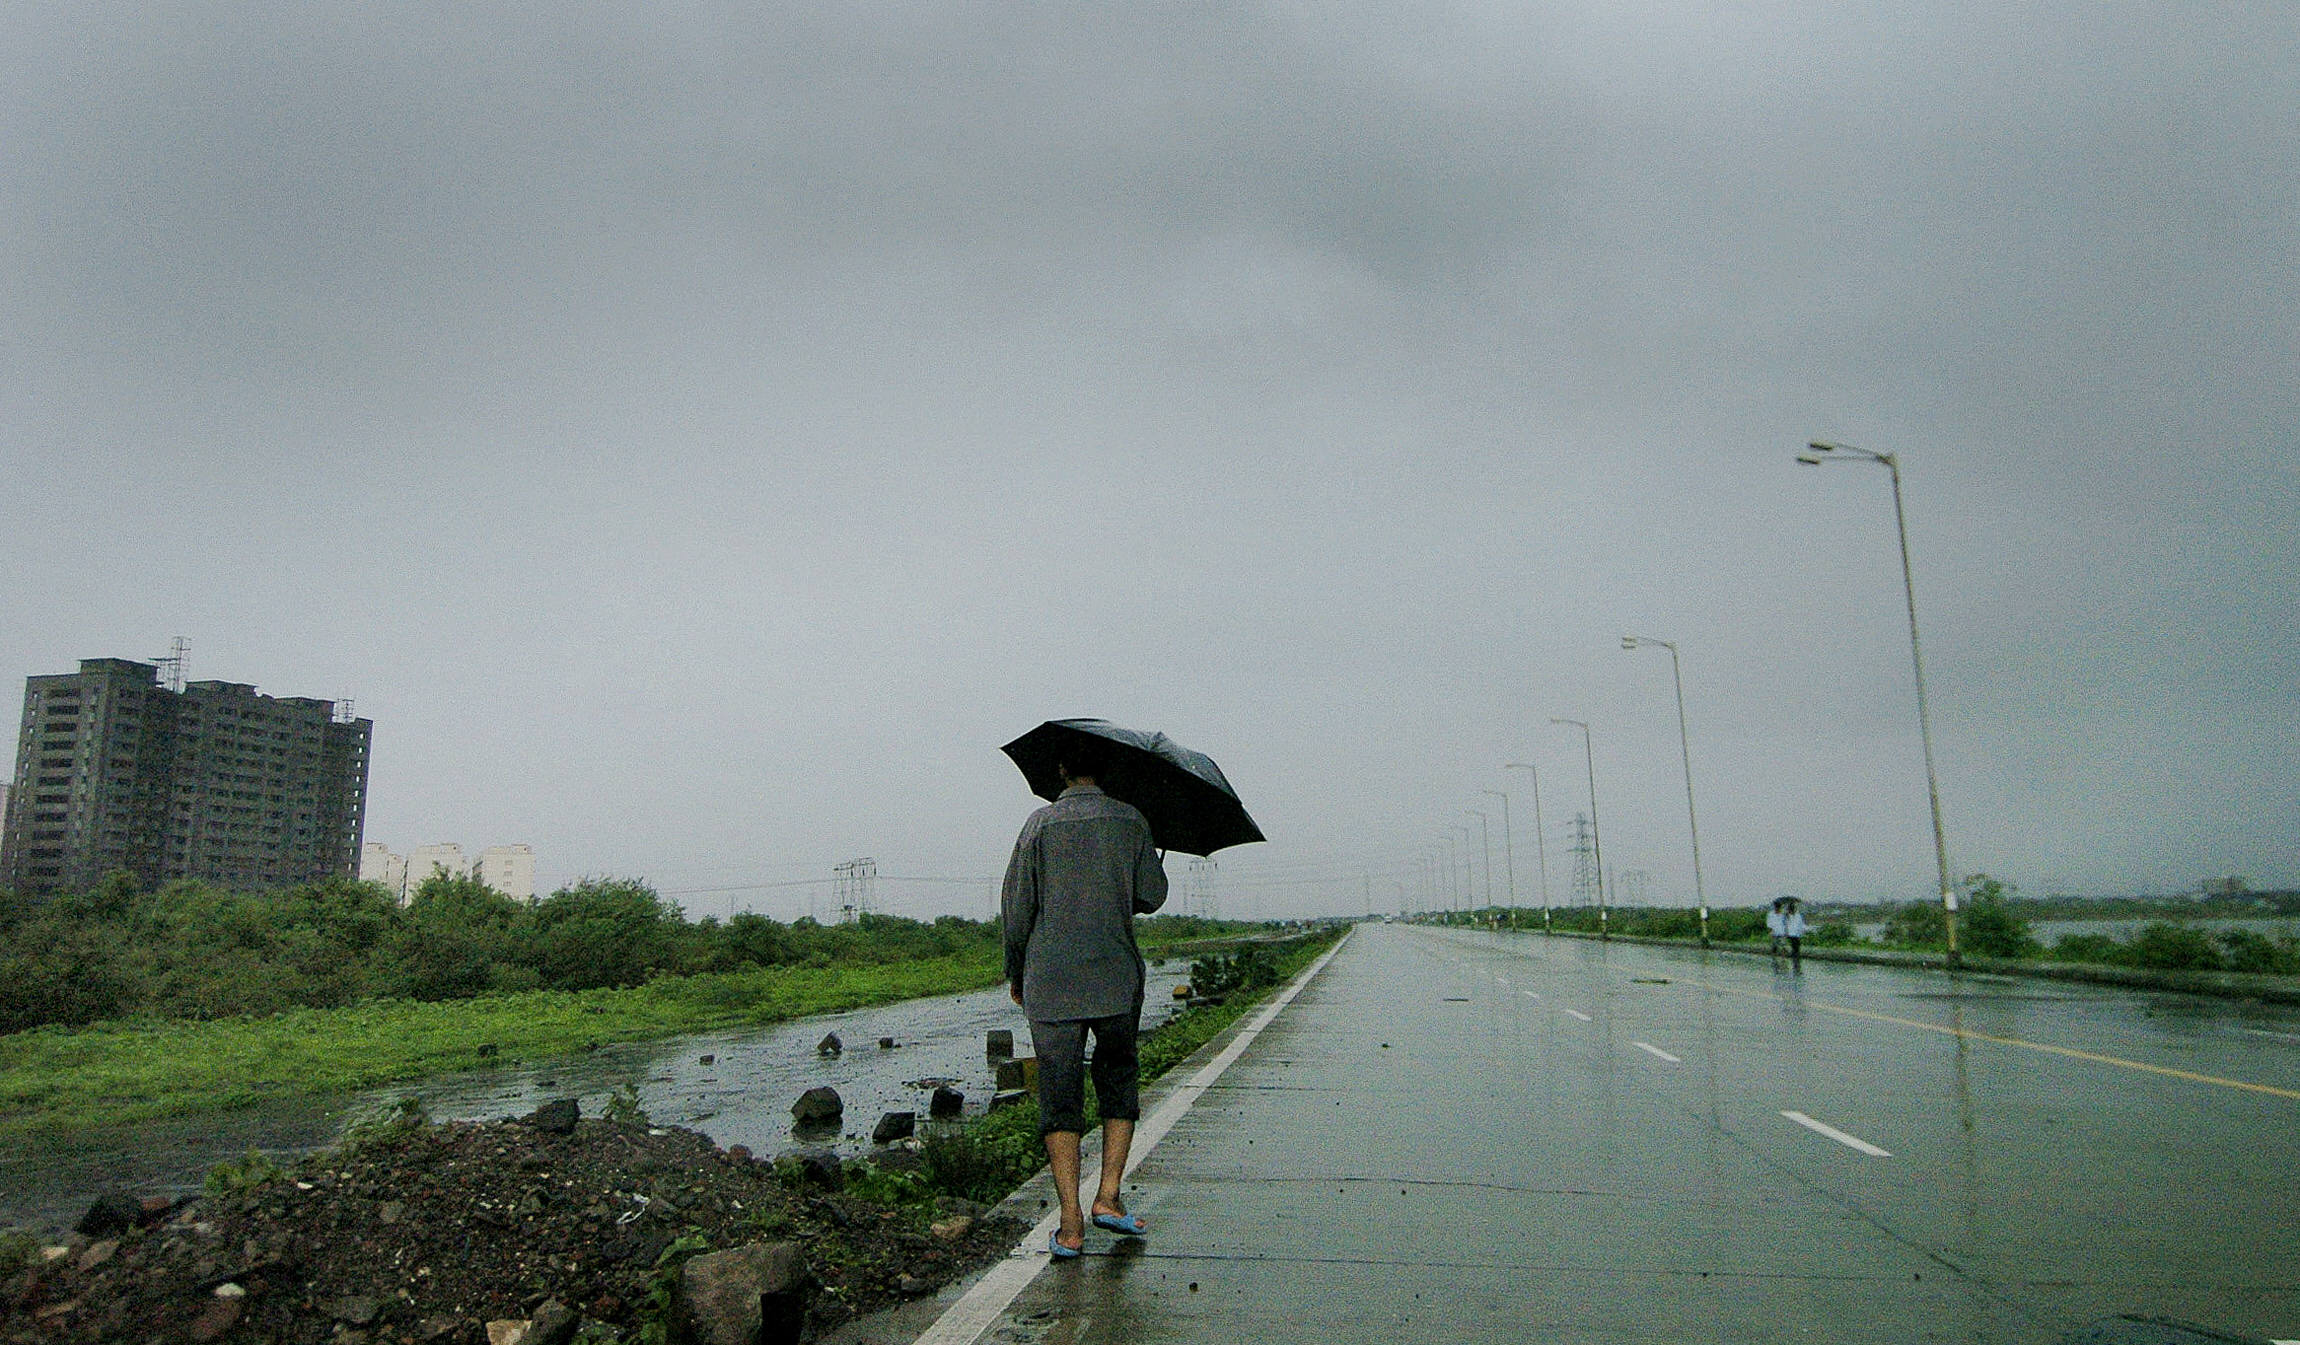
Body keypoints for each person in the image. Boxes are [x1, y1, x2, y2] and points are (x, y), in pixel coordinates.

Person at [1001, 748, 1169, 1260]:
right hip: (1115, 977)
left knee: (1059, 1094)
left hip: (1050, 981)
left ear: (1058, 770)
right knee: (1118, 1081)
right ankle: (1109, 1198)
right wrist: (1151, 856)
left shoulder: (1039, 825)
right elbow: (1151, 896)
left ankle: (1070, 1224)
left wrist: (1016, 970)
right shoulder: (1132, 821)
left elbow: (1016, 908)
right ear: (1107, 772)